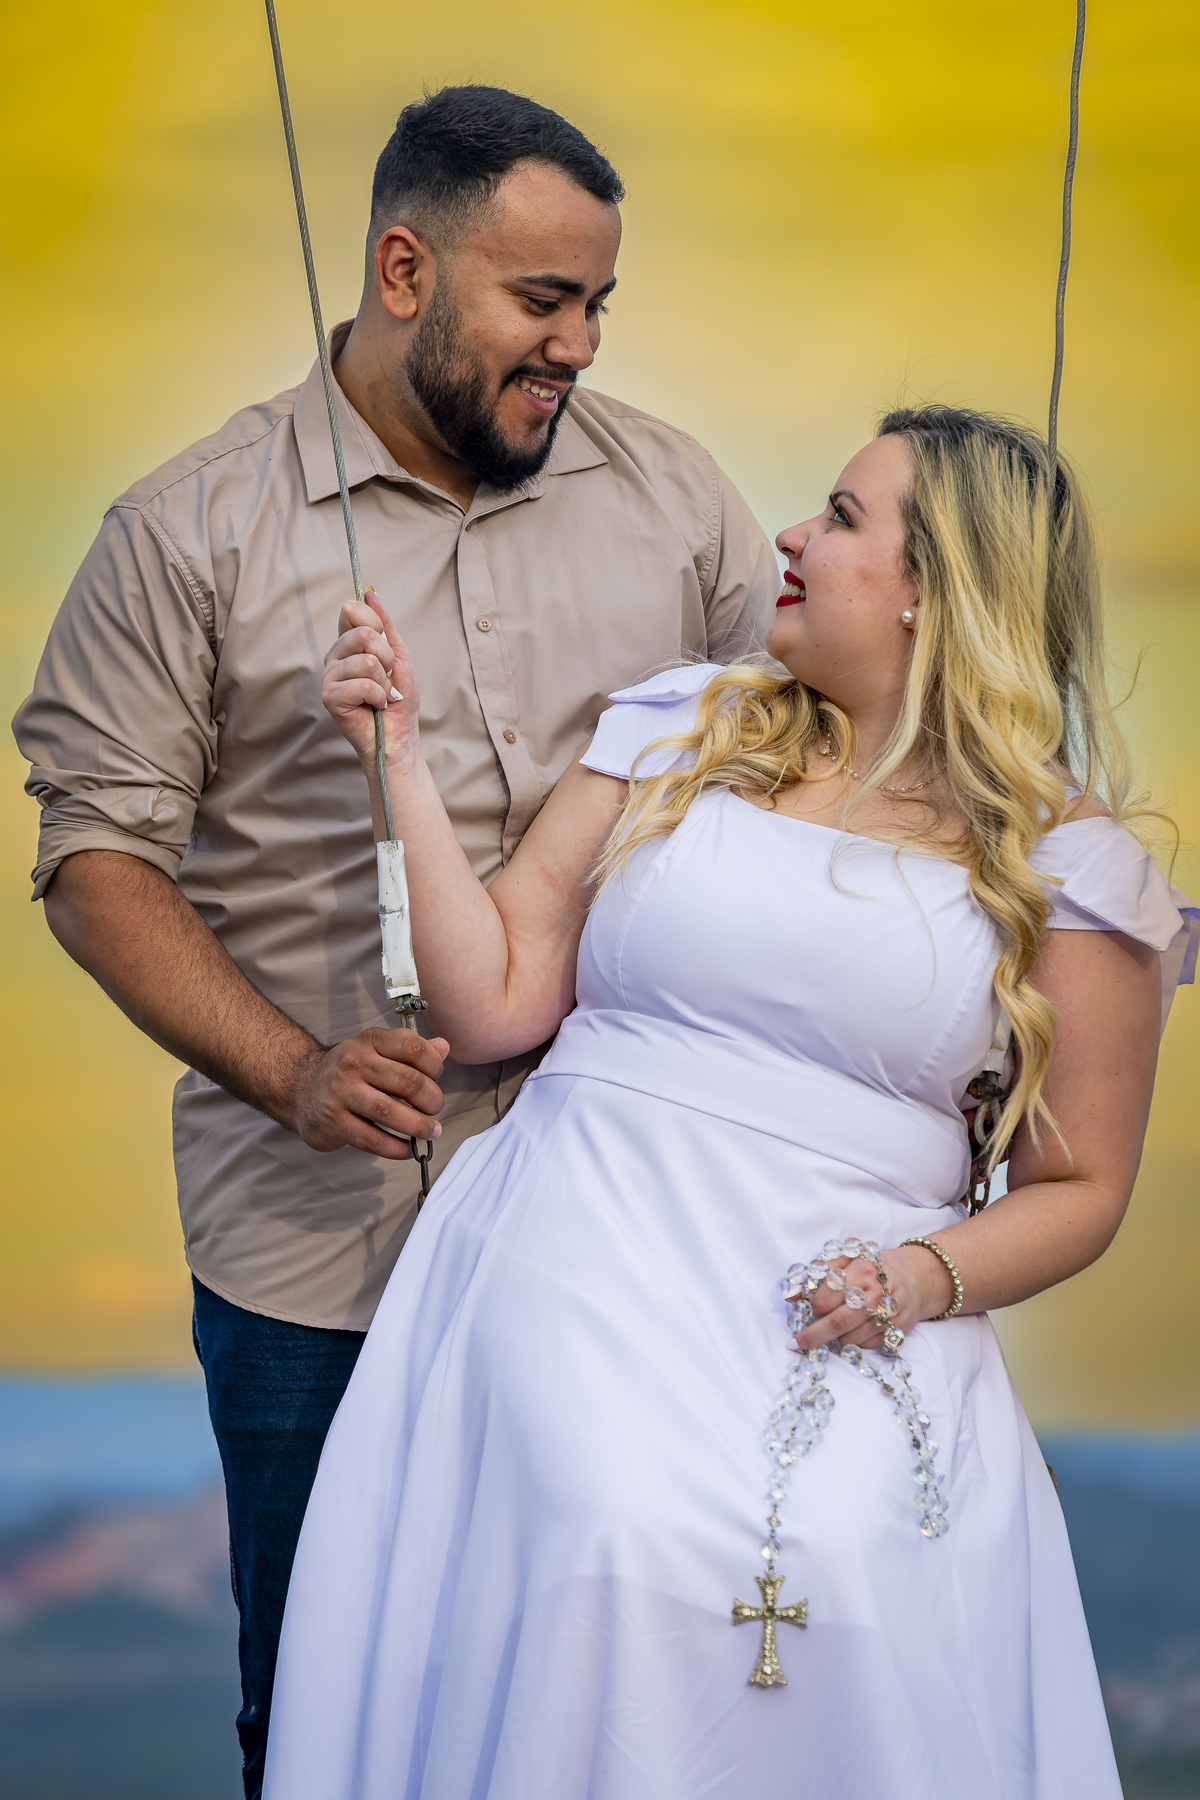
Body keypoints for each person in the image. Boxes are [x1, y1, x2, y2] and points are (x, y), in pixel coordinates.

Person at [11, 87, 778, 1796]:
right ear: (406, 267)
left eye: (598, 306)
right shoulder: (186, 531)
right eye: (540, 301)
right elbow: (96, 862)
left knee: (626, 1714)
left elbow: (814, 766)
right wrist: (289, 1070)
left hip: (624, 1243)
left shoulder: (679, 502)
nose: (576, 344)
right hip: (320, 1266)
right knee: (328, 1723)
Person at [263, 404, 1195, 1798]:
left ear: (938, 587)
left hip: (854, 1302)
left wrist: (916, 1276)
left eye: (840, 514)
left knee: (840, 1578)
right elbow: (498, 997)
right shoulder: (682, 727)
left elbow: (1082, 1191)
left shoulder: (1073, 872)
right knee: (616, 1535)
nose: (791, 537)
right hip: (577, 1260)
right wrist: (392, 758)